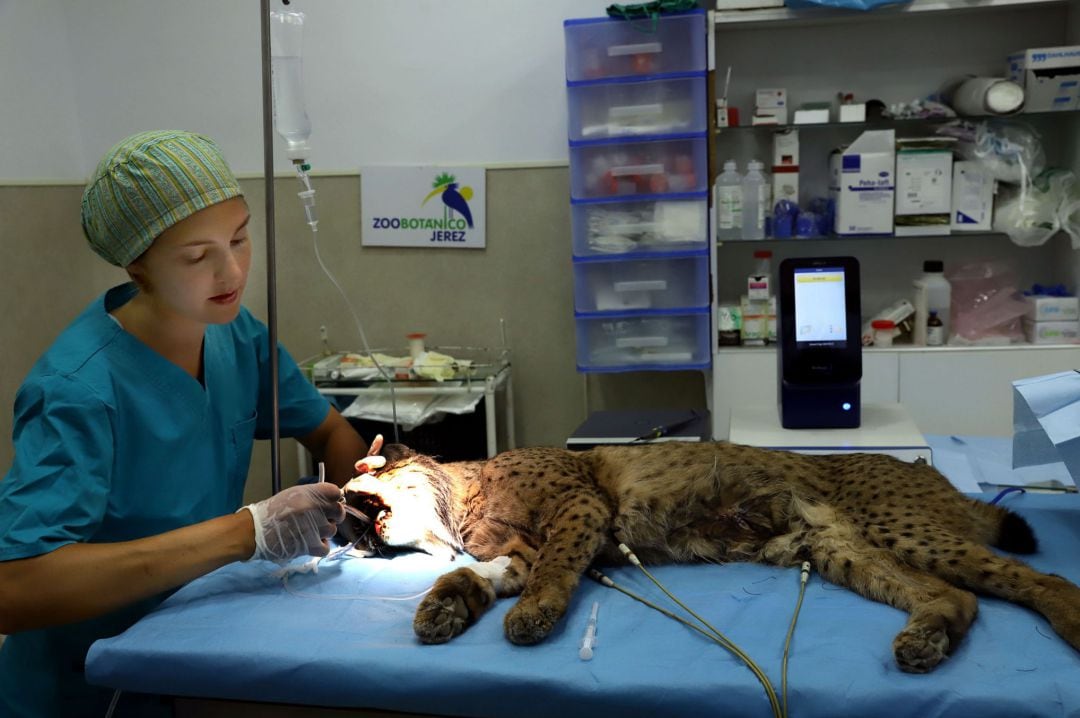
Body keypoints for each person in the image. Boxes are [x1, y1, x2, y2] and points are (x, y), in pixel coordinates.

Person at [0, 130, 381, 717]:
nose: (231, 271)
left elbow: (329, 432)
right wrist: (245, 532)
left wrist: (361, 502)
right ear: (138, 264)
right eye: (198, 256)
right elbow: (15, 588)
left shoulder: (236, 333)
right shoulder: (77, 390)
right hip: (88, 684)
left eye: (239, 238)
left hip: (193, 649)